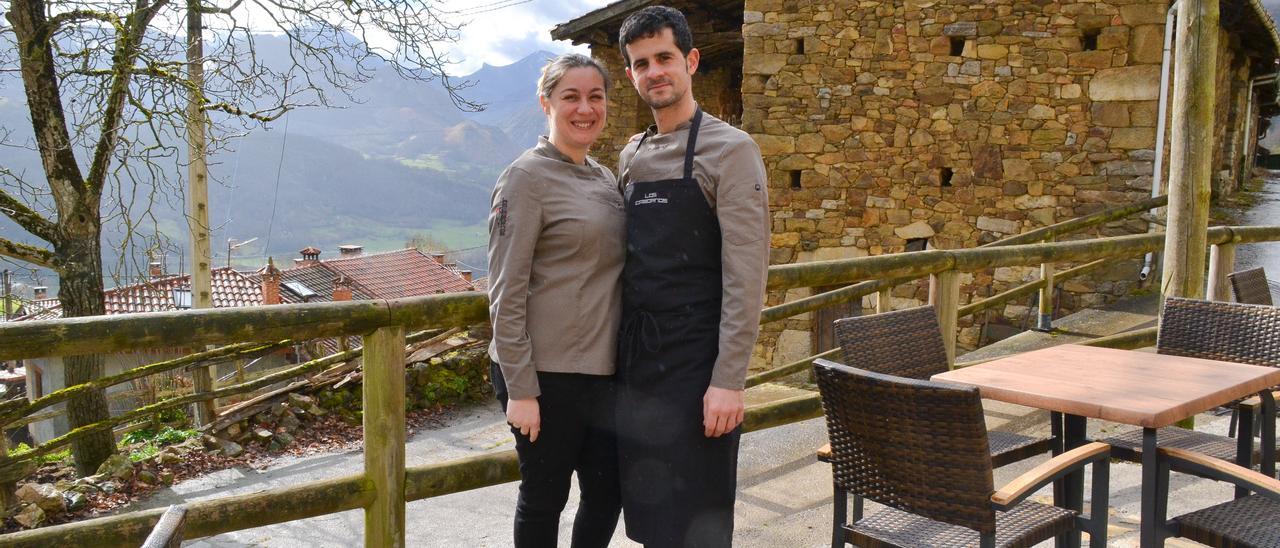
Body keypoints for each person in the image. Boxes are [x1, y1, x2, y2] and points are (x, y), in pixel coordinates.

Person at [614, 6, 770, 547]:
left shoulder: (732, 150)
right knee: (651, 516)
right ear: (630, 75)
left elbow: (746, 274)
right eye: (641, 63)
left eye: (664, 57)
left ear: (692, 61)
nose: (654, 71)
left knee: (699, 524)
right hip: (637, 367)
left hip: (698, 366)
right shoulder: (631, 155)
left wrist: (729, 381)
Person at [487, 53, 624, 548]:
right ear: (546, 103)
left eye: (595, 96)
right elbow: (505, 289)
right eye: (571, 96)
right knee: (545, 497)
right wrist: (521, 390)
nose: (584, 108)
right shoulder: (525, 178)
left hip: (603, 372)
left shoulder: (607, 179)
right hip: (542, 374)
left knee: (608, 494)